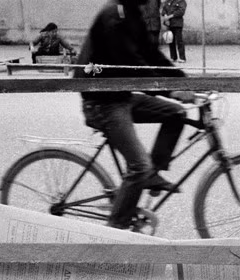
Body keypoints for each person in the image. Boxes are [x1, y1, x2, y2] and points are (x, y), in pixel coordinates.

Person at [74, 0, 191, 230]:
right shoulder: (114, 16)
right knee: (138, 165)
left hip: (121, 96)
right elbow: (133, 66)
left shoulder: (132, 12)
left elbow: (151, 54)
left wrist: (186, 82)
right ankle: (116, 229)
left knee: (176, 113)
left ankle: (151, 174)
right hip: (102, 102)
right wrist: (172, 90)